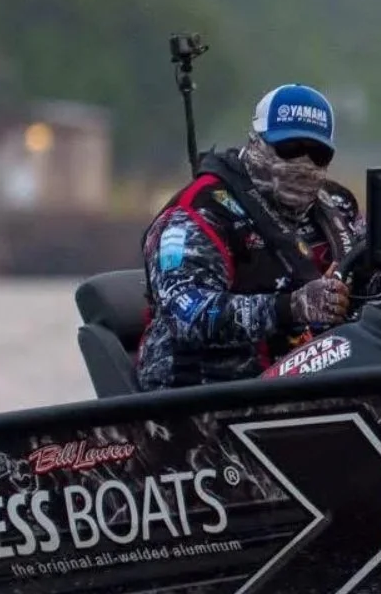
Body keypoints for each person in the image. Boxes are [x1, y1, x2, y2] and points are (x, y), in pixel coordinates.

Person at [136, 84, 366, 390]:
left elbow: (376, 273)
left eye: (318, 154)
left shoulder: (338, 205)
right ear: (256, 142)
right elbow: (186, 315)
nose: (303, 164)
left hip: (311, 379)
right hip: (201, 396)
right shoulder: (199, 213)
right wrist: (292, 307)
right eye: (290, 149)